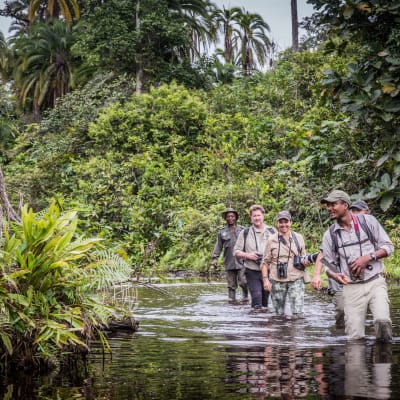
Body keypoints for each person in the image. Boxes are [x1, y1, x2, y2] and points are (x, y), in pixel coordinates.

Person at [320, 190, 394, 341]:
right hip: (351, 288)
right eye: (328, 205)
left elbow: (388, 247)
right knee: (355, 337)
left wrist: (367, 257)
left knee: (383, 322)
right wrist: (335, 274)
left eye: (333, 204)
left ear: (345, 205)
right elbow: (327, 263)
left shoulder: (368, 221)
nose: (329, 208)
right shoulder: (330, 235)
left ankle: (383, 362)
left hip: (375, 282)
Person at [312, 199, 371, 328]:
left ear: (367, 212)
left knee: (365, 312)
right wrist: (317, 274)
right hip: (338, 274)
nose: (356, 213)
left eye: (359, 211)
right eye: (353, 210)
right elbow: (323, 255)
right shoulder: (336, 230)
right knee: (342, 310)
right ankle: (340, 342)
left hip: (362, 279)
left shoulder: (369, 227)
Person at [261, 210, 309, 318]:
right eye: (280, 222)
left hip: (296, 278)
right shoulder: (271, 240)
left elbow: (303, 256)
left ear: (291, 222)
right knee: (278, 314)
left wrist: (306, 262)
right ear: (277, 224)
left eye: (286, 222)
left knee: (298, 314)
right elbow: (265, 262)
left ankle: (295, 334)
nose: (283, 225)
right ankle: (280, 334)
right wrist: (265, 280)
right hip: (277, 280)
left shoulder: (298, 238)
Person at [234, 204, 275, 311]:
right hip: (252, 270)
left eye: (258, 215)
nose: (257, 218)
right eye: (254, 216)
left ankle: (265, 325)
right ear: (251, 218)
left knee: (265, 301)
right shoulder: (245, 233)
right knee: (256, 299)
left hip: (269, 271)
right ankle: (256, 323)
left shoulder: (272, 231)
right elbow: (236, 252)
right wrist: (248, 255)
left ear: (263, 216)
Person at [212, 207, 248, 302]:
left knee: (244, 282)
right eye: (228, 216)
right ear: (225, 218)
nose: (230, 218)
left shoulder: (243, 230)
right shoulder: (222, 232)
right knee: (231, 285)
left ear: (236, 217)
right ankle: (232, 302)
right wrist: (215, 258)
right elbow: (218, 246)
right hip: (229, 262)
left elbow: (249, 244)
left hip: (242, 261)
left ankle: (246, 298)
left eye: (232, 216)